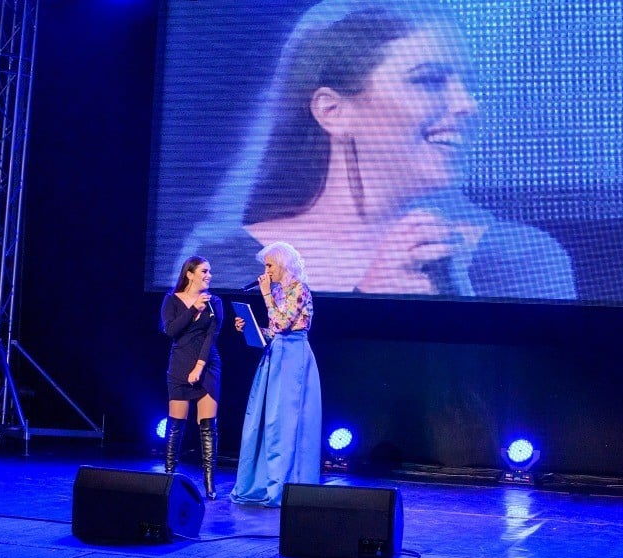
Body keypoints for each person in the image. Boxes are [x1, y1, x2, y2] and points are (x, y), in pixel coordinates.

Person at [178, 0, 576, 300]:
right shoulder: (230, 260)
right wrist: (366, 298)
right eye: (429, 81)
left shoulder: (520, 258)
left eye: (468, 85)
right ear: (332, 111)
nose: (468, 104)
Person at [230, 242, 322, 507]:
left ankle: (286, 485)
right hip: (277, 355)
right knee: (268, 420)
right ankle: (262, 481)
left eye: (269, 265)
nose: (266, 271)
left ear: (283, 264)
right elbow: (274, 331)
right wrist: (251, 327)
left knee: (285, 421)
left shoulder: (299, 289)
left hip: (293, 358)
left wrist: (266, 295)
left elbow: (283, 323)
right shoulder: (280, 291)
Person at [160, 256, 224, 499]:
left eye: (210, 271)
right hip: (179, 365)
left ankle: (209, 483)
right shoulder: (172, 300)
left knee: (208, 426)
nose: (209, 275)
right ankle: (168, 476)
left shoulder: (214, 303)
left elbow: (211, 337)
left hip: (207, 365)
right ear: (190, 274)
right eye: (204, 271)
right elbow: (170, 330)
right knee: (176, 425)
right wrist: (193, 309)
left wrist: (199, 366)